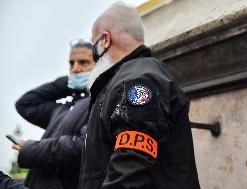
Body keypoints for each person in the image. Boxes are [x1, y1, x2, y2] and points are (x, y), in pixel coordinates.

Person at [79, 3, 200, 189]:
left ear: (104, 40)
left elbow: (130, 168)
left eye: (93, 44)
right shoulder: (127, 78)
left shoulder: (138, 80)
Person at [12, 40, 95, 189]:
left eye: (83, 62)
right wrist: (67, 83)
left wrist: (31, 149)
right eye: (71, 63)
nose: (75, 68)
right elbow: (25, 103)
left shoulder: (98, 103)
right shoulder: (62, 108)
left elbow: (82, 147)